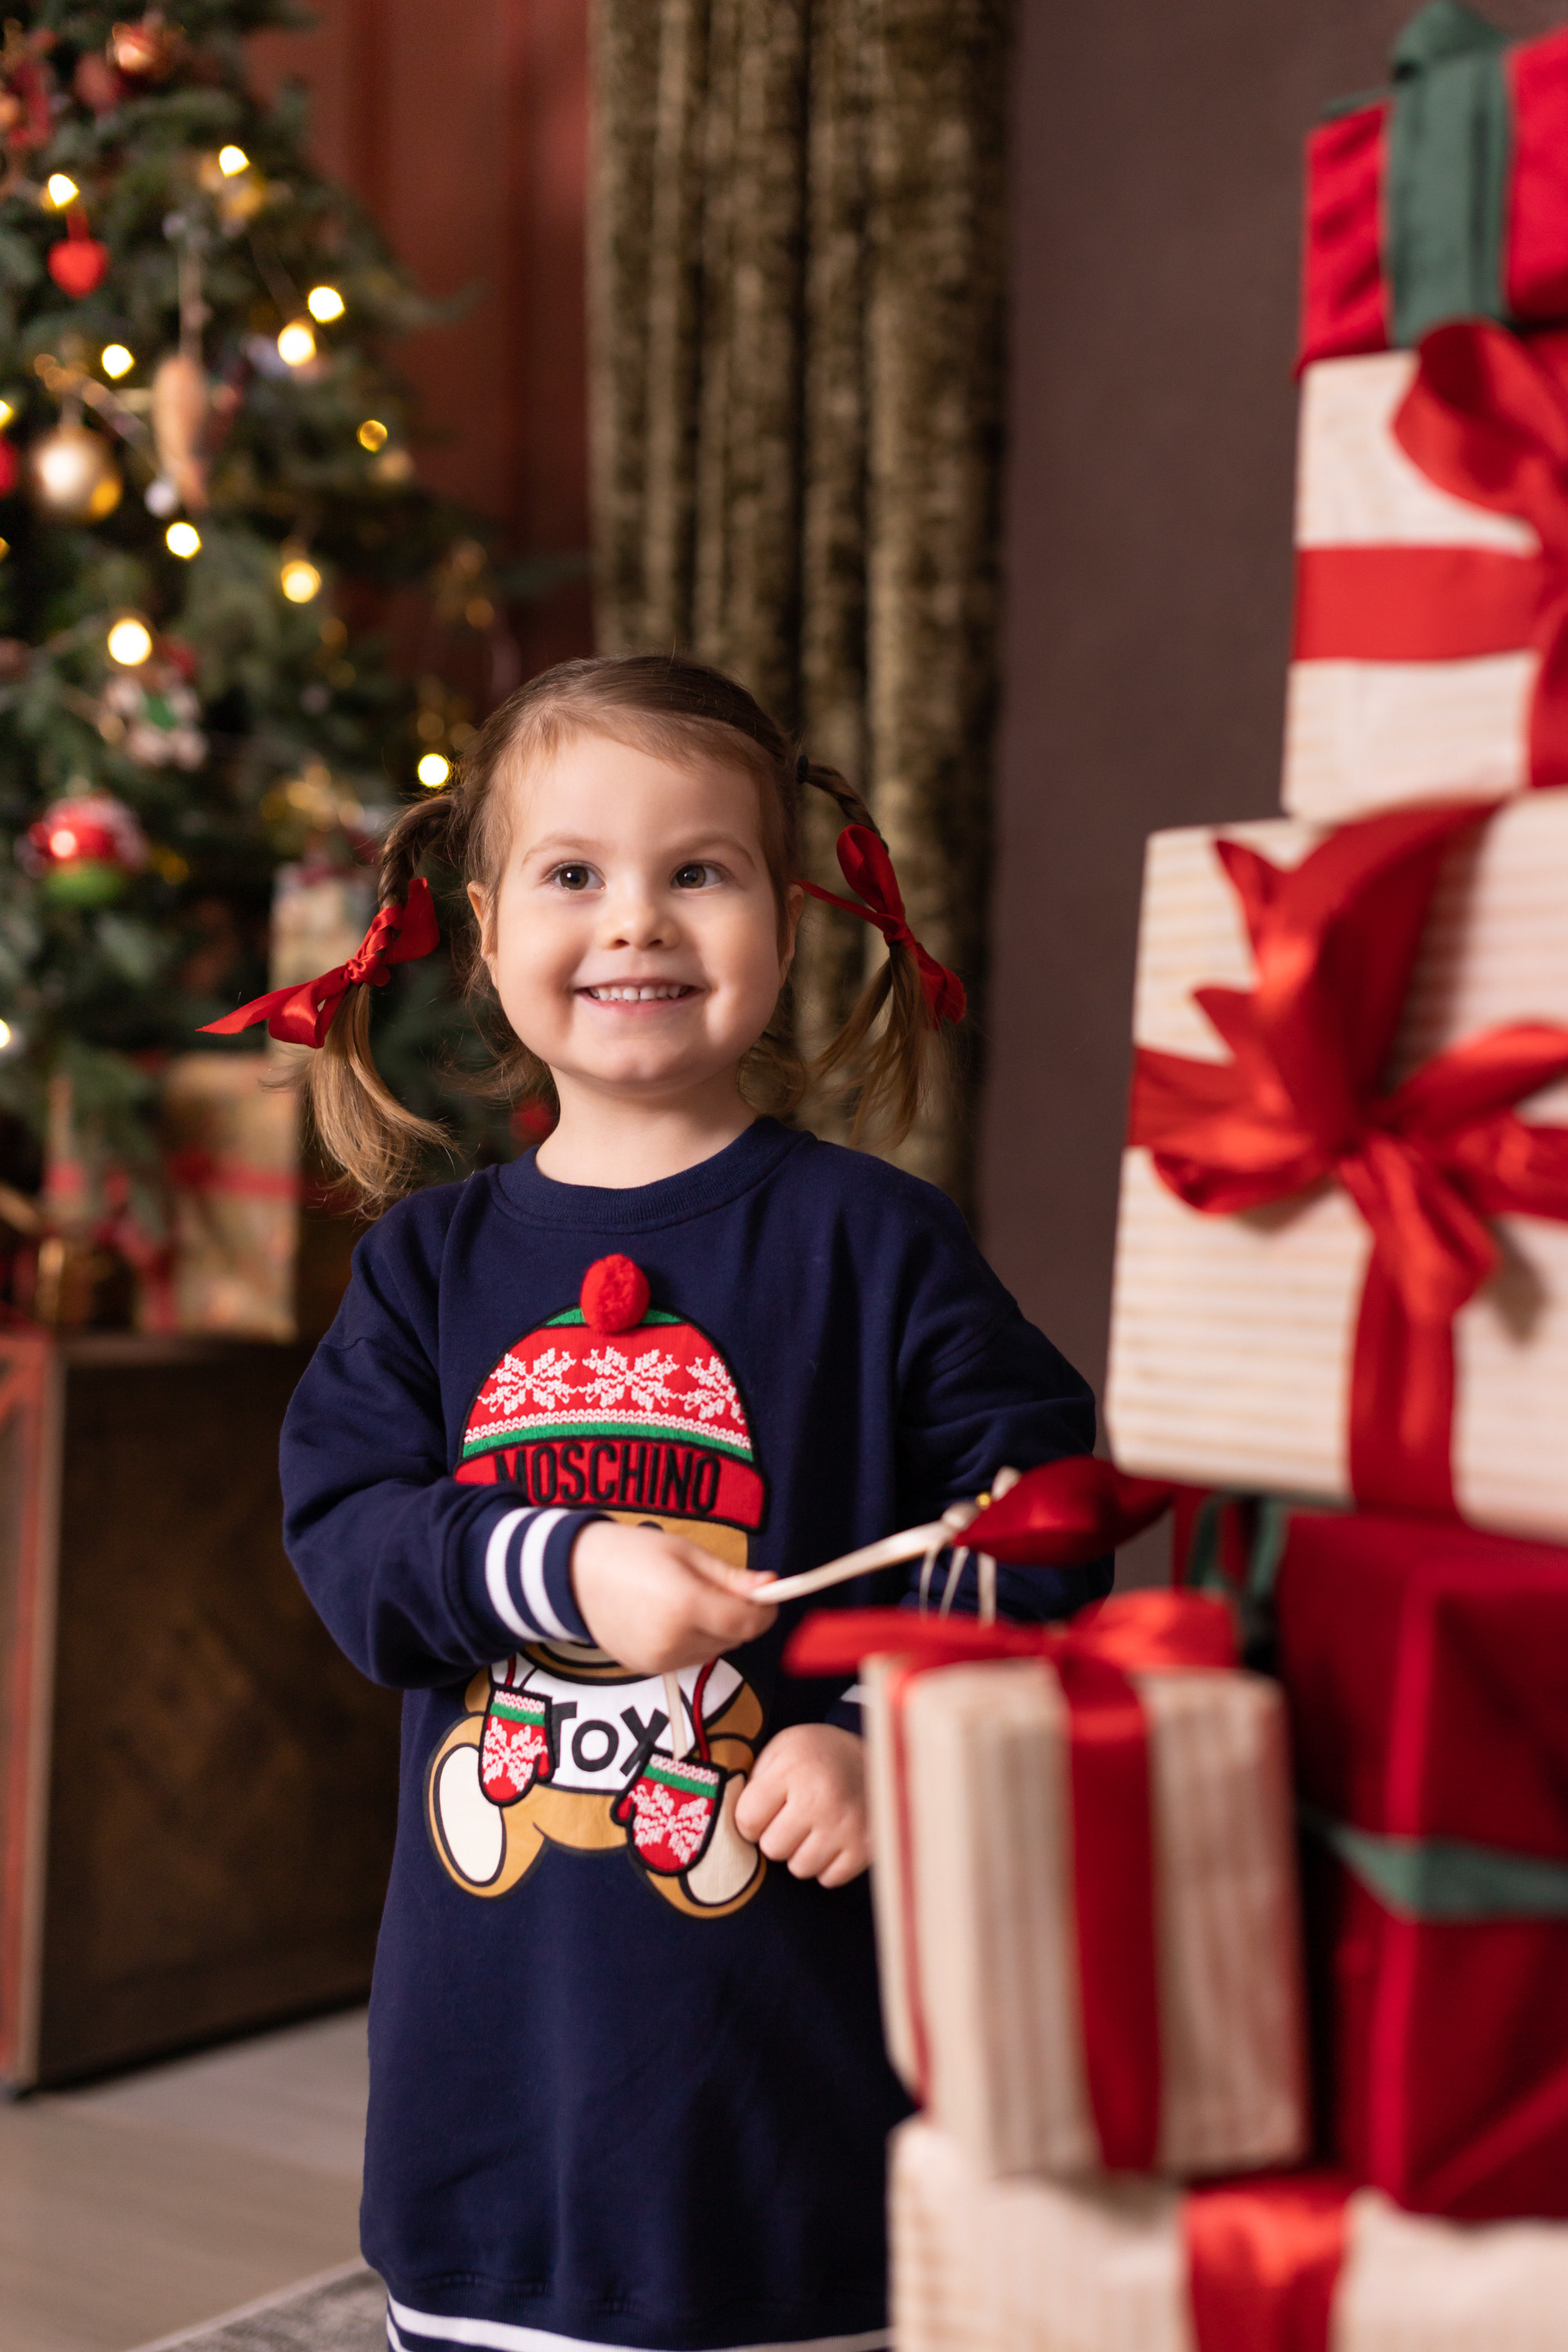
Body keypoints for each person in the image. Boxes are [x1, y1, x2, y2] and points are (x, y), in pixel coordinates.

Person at [256, 654, 1105, 2352]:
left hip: (781, 2094)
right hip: (491, 2102)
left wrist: (883, 1722)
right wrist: (562, 1570)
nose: (633, 922)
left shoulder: (874, 1246)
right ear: (488, 936)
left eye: (695, 872)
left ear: (784, 928)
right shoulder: (425, 1270)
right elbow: (352, 1536)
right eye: (575, 876)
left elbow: (1051, 1513)